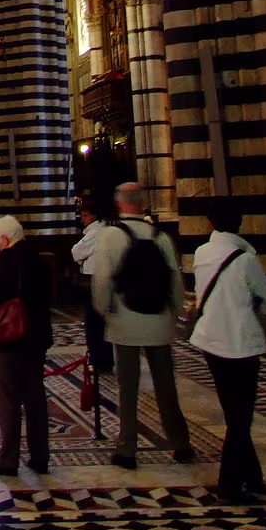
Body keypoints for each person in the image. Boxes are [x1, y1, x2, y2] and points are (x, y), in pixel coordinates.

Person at [91, 182, 193, 470]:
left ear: (119, 204)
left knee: (128, 388)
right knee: (166, 385)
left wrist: (104, 311)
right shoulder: (161, 236)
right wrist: (175, 313)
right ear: (143, 203)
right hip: (159, 320)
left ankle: (127, 448)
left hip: (125, 319)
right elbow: (175, 278)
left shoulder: (110, 235)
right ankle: (181, 443)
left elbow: (102, 279)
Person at [190, 198, 266, 503]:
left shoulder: (201, 252)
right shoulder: (246, 259)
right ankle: (229, 484)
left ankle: (252, 474)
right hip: (240, 343)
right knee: (240, 418)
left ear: (210, 222)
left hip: (210, 340)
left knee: (233, 412)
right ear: (239, 223)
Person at [0, 215, 53, 476]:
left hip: (12, 337)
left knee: (8, 398)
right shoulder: (37, 257)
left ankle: (8, 460)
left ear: (5, 239)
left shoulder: (10, 259)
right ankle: (40, 456)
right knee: (35, 397)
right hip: (37, 336)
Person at [71, 199, 114, 373]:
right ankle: (104, 360)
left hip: (95, 281)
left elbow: (76, 252)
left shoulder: (95, 232)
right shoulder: (103, 230)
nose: (83, 219)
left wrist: (83, 258)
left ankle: (98, 361)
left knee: (94, 324)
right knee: (101, 324)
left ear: (95, 216)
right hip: (103, 281)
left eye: (86, 215)